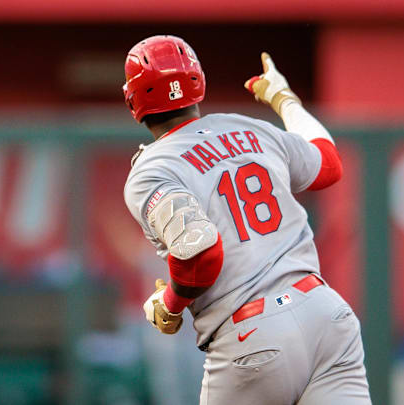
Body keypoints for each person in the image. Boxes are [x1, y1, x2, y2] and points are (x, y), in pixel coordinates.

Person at [122, 35, 371, 404]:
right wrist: (284, 99)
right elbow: (329, 166)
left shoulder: (152, 169)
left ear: (133, 99)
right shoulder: (246, 126)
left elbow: (199, 250)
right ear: (197, 81)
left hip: (253, 334)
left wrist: (169, 304)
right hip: (325, 314)